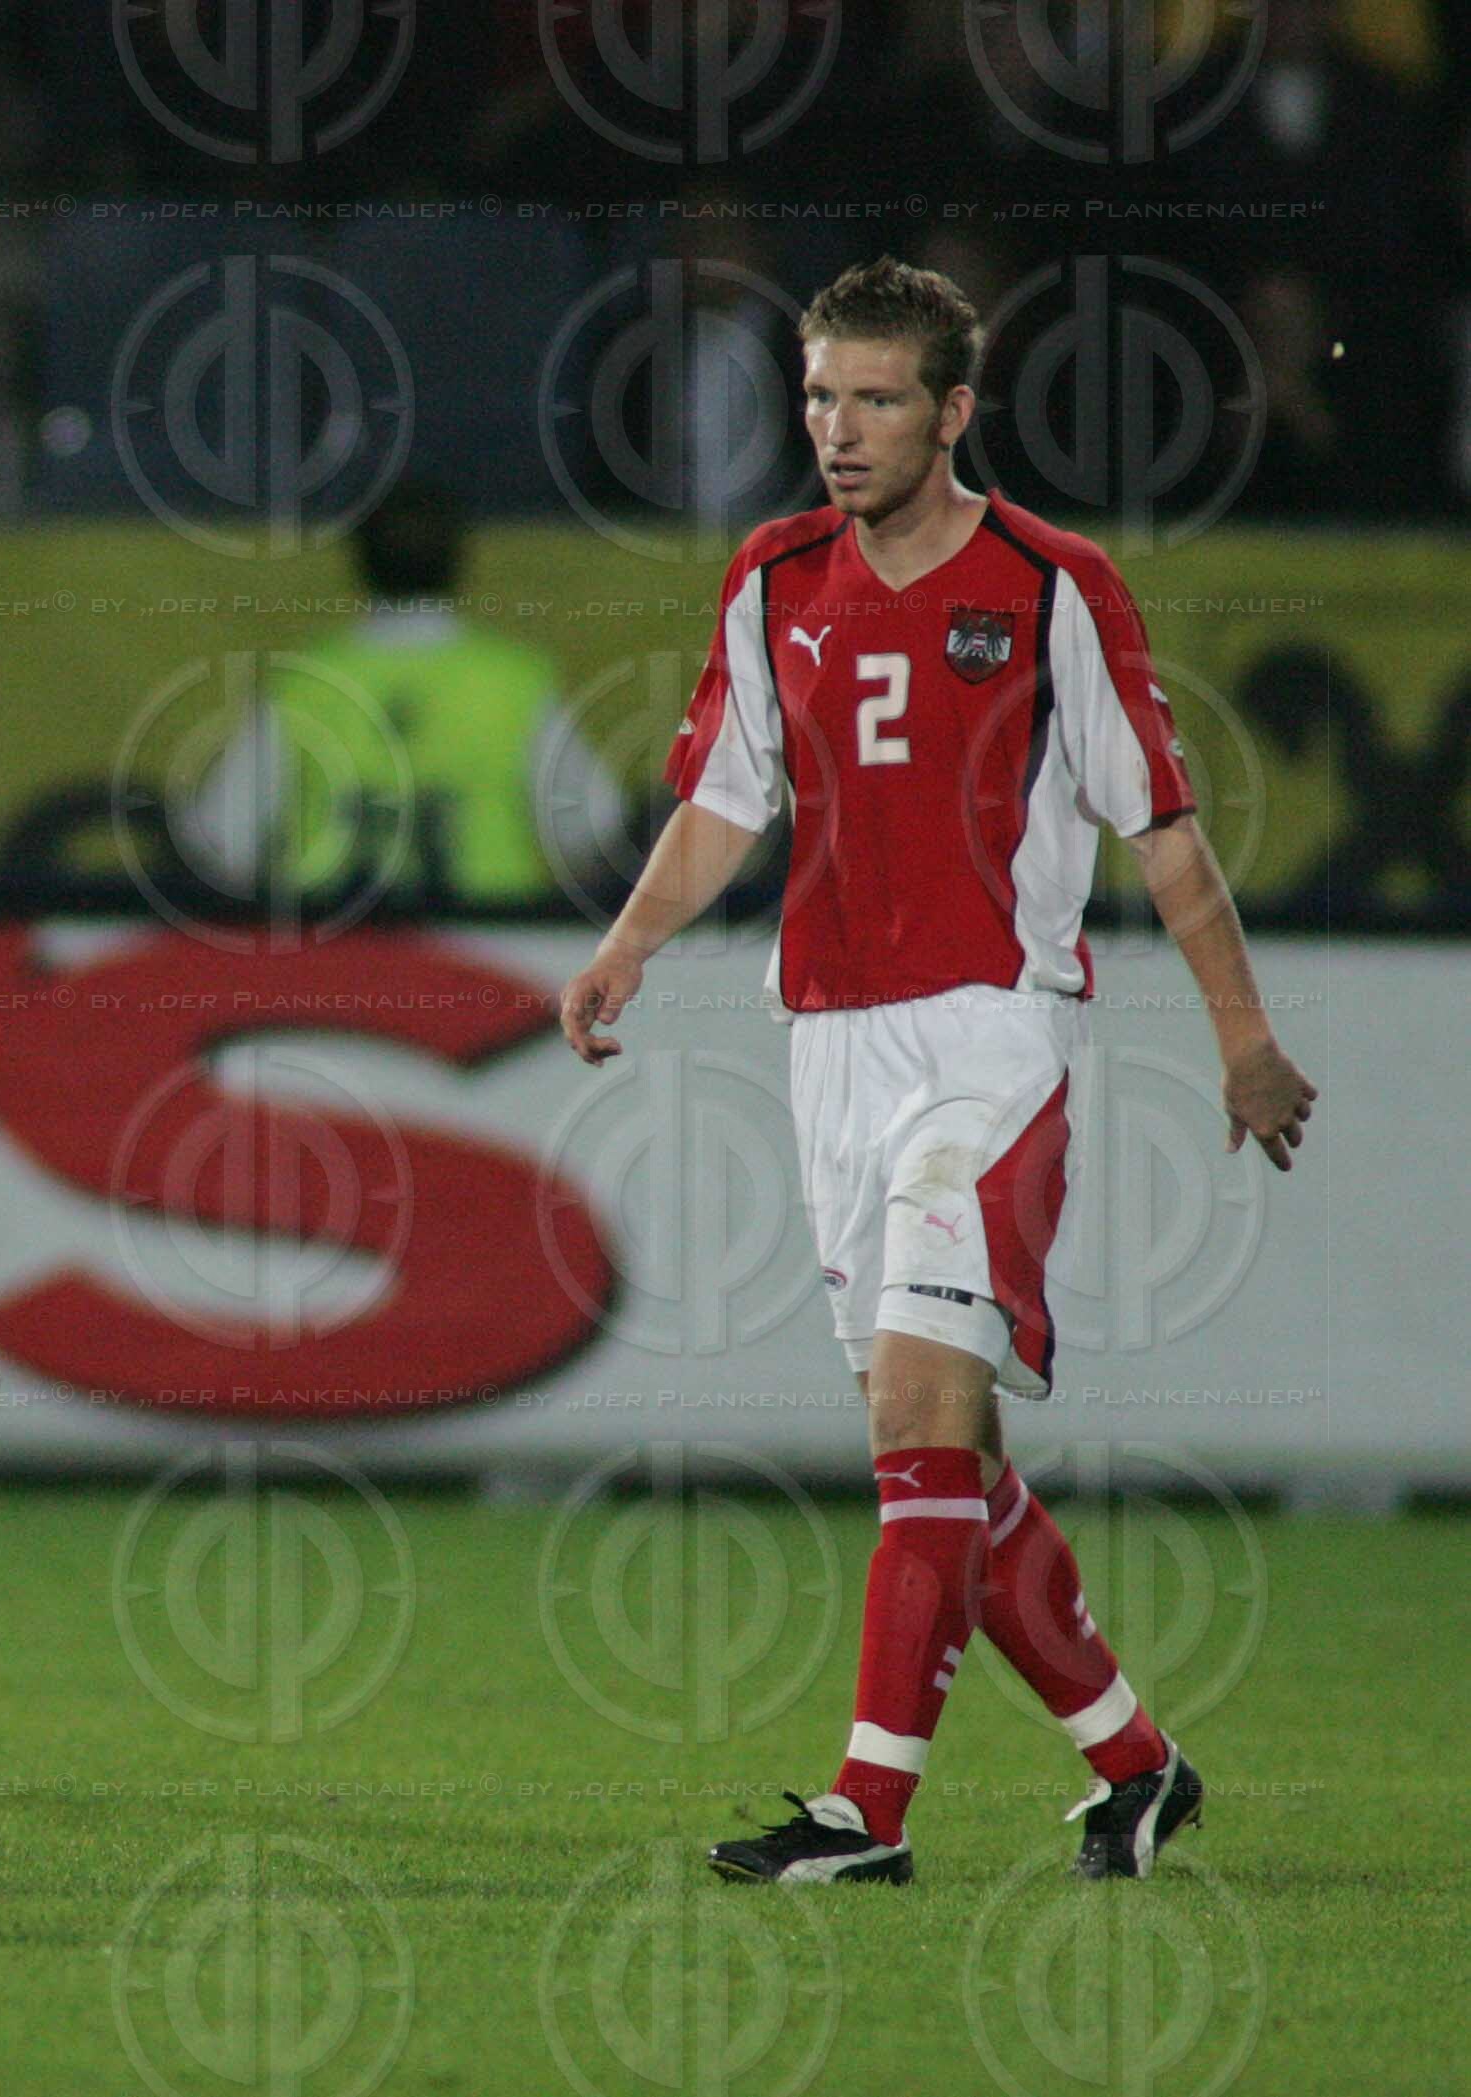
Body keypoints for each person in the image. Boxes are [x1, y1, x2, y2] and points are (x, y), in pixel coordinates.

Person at [557, 257, 1317, 1885]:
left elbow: (1161, 831)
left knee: (913, 1424)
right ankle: (1131, 1761)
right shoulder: (771, 576)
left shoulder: (1052, 583)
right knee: (944, 1460)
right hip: (825, 1038)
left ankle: (863, 1815)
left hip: (988, 1034)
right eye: (820, 394)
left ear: (951, 411)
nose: (836, 428)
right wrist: (625, 942)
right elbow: (724, 800)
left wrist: (1239, 1034)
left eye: (875, 397)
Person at [193, 482, 627, 912]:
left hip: (332, 957)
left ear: (359, 561)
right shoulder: (513, 681)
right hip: (487, 950)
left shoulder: (303, 683)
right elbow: (599, 832)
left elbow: (220, 841)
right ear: (458, 560)